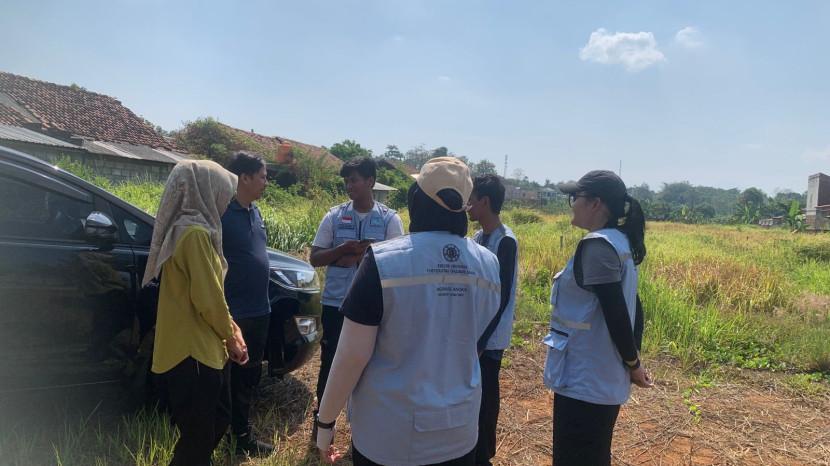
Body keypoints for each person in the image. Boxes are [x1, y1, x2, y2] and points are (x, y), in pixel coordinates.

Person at [314, 157, 502, 466]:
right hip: (459, 431)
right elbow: (478, 335)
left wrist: (325, 424)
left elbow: (350, 357)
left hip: (389, 437)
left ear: (417, 199)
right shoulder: (488, 264)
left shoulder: (383, 262)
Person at [543, 170, 654, 466]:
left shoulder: (597, 246)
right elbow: (633, 305)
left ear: (595, 203)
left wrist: (633, 364)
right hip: (599, 374)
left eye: (575, 197)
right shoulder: (618, 242)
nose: (572, 204)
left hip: (586, 377)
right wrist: (633, 360)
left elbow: (617, 312)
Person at [143, 160, 250, 466]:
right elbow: (208, 298)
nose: (226, 202)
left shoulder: (193, 230)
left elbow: (212, 294)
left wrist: (232, 330)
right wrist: (231, 336)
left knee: (215, 421)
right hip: (192, 353)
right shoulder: (194, 234)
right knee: (200, 434)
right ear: (207, 192)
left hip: (203, 349)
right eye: (224, 194)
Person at [308, 156, 404, 432]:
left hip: (374, 308)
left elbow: (397, 263)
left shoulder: (389, 220)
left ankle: (365, 427)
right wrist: (342, 250)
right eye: (346, 181)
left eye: (354, 180)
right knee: (330, 363)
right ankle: (322, 423)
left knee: (372, 365)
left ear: (370, 181)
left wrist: (362, 257)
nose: (349, 186)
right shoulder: (334, 216)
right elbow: (315, 257)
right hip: (336, 304)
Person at [221, 151, 275, 456]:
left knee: (250, 376)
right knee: (232, 379)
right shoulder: (222, 213)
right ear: (244, 177)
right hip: (235, 313)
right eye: (263, 176)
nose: (266, 182)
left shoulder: (255, 212)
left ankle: (241, 433)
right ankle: (233, 436)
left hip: (260, 309)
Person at [466, 174, 519, 466]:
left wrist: (482, 342)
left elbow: (502, 296)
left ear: (485, 202)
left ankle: (484, 453)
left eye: (471, 200)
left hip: (490, 338)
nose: (468, 206)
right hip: (474, 333)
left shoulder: (505, 241)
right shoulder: (476, 238)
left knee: (487, 395)